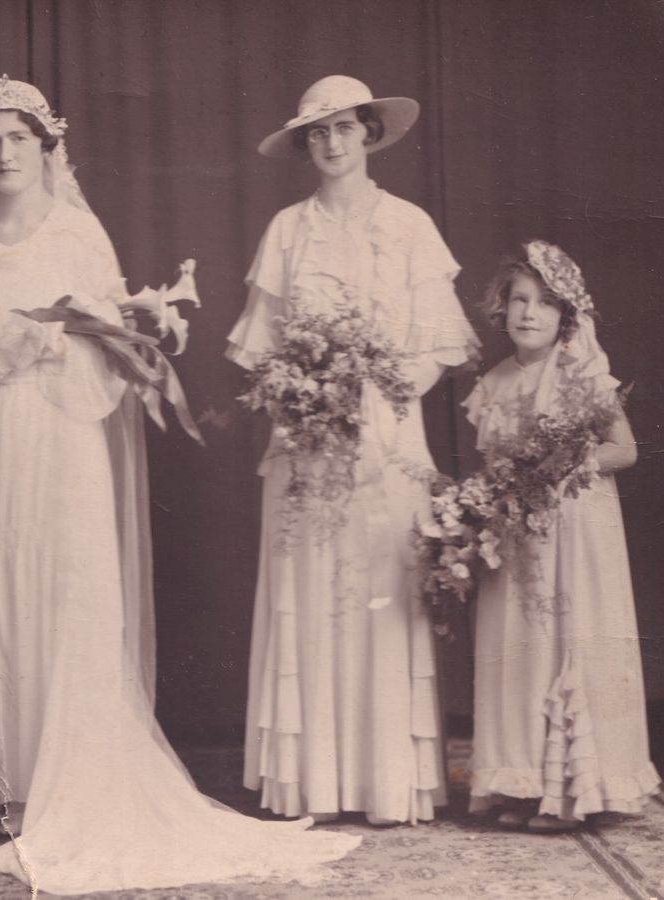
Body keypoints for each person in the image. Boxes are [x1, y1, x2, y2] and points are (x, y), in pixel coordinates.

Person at [0, 75, 360, 896]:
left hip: (62, 438)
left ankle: (72, 777)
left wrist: (48, 348)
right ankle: (6, 782)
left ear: (49, 151)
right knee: (1, 593)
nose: (5, 154)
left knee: (65, 595)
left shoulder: (79, 234)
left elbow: (113, 359)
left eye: (20, 139)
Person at [227, 75, 479, 826]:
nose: (331, 142)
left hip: (387, 441)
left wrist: (378, 395)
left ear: (368, 133)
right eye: (316, 132)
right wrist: (308, 396)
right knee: (311, 593)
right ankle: (309, 783)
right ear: (305, 145)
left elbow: (439, 343)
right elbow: (259, 350)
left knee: (380, 597)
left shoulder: (408, 225)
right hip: (307, 443)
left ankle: (383, 784)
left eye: (343, 128)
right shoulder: (286, 230)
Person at [464, 242, 662, 832]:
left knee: (568, 640)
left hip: (577, 533)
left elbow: (623, 449)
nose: (529, 313)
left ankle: (575, 792)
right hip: (520, 541)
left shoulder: (582, 375)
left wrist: (569, 465)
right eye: (519, 300)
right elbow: (491, 464)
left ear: (566, 317)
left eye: (545, 303)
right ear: (503, 309)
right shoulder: (495, 382)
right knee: (521, 649)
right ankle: (522, 785)